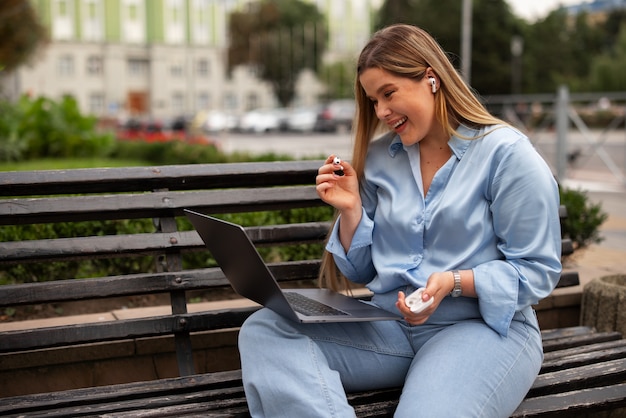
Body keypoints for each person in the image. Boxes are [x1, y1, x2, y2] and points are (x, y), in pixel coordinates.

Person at [238, 24, 562, 417]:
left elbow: (537, 272)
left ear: (431, 78)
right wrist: (352, 211)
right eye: (373, 101)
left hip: (480, 330)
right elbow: (361, 270)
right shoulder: (379, 159)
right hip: (388, 327)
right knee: (266, 329)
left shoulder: (506, 155)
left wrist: (454, 282)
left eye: (388, 93)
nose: (381, 112)